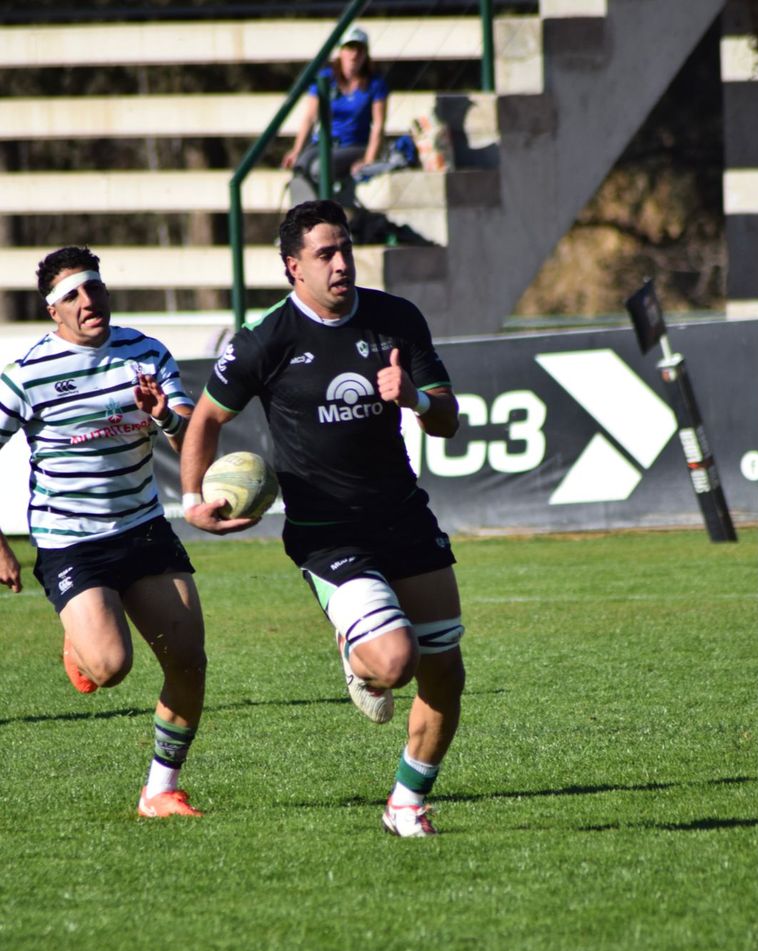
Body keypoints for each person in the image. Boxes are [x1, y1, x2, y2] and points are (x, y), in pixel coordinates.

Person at [180, 199, 465, 838]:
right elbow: (205, 417)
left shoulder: (396, 318)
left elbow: (448, 420)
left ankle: (406, 803)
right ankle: (356, 650)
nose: (341, 264)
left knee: (445, 669)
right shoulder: (267, 339)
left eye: (345, 249)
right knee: (395, 662)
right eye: (325, 254)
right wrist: (193, 499)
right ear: (293, 268)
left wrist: (415, 398)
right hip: (327, 533)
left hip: (404, 517)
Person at [0, 246, 207, 819]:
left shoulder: (145, 353)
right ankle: (83, 634)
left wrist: (165, 414)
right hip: (71, 542)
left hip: (142, 528)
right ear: (53, 311)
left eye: (94, 288)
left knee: (188, 660)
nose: (88, 301)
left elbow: (191, 440)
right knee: (110, 669)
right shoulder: (27, 376)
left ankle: (159, 790)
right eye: (72, 295)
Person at [282, 25, 388, 203]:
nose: (354, 55)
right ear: (340, 52)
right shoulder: (326, 79)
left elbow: (378, 124)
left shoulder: (375, 84)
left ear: (365, 54)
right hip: (324, 143)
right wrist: (296, 150)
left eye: (359, 49)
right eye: (349, 48)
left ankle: (325, 213)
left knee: (319, 168)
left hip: (353, 145)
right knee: (301, 167)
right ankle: (303, 218)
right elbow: (309, 118)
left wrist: (369, 159)